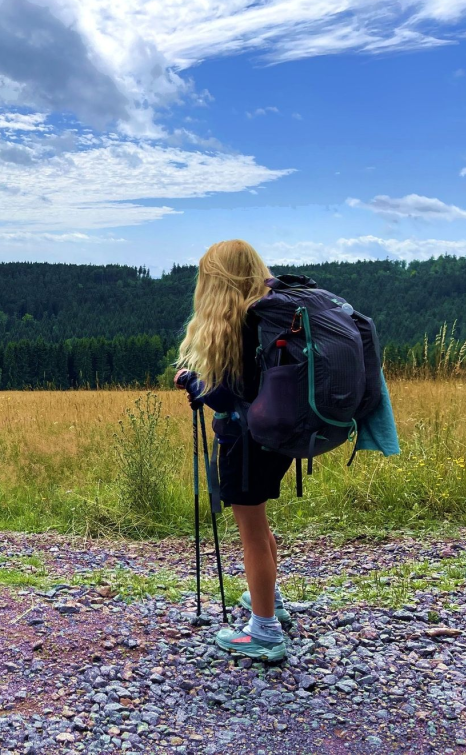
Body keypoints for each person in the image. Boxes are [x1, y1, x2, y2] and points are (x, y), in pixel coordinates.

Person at [173, 239, 292, 663]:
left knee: (251, 533)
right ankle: (271, 601)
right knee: (258, 524)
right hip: (277, 441)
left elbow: (227, 397)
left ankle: (265, 632)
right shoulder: (270, 316)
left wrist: (193, 384)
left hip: (243, 445)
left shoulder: (237, 323)